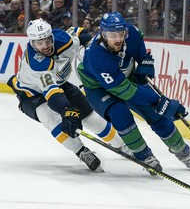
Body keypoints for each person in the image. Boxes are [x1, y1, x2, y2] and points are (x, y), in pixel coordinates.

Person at [77, 11, 190, 175]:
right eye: (112, 35)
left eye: (121, 34)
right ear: (103, 33)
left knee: (156, 114)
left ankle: (183, 153)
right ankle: (145, 156)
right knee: (120, 114)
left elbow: (139, 45)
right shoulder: (96, 55)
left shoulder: (132, 33)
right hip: (98, 88)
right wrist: (159, 100)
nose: (118, 39)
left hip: (127, 79)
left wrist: (144, 62)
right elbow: (125, 91)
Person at [7, 18, 131, 172]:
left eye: (47, 41)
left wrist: (90, 44)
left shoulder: (62, 39)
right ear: (32, 43)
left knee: (90, 117)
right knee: (49, 117)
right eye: (39, 43)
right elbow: (52, 94)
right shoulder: (36, 64)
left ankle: (123, 146)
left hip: (59, 84)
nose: (44, 46)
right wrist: (66, 110)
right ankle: (81, 151)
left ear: (51, 36)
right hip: (31, 94)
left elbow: (79, 32)